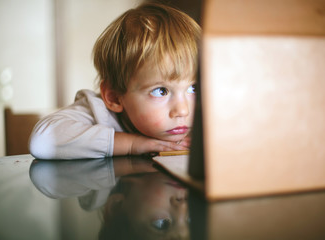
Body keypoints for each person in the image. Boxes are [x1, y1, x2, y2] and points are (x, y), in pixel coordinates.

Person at [29, 2, 201, 159]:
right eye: (161, 91)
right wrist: (132, 144)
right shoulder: (97, 112)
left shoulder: (200, 117)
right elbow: (42, 141)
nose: (183, 110)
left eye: (193, 88)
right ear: (114, 97)